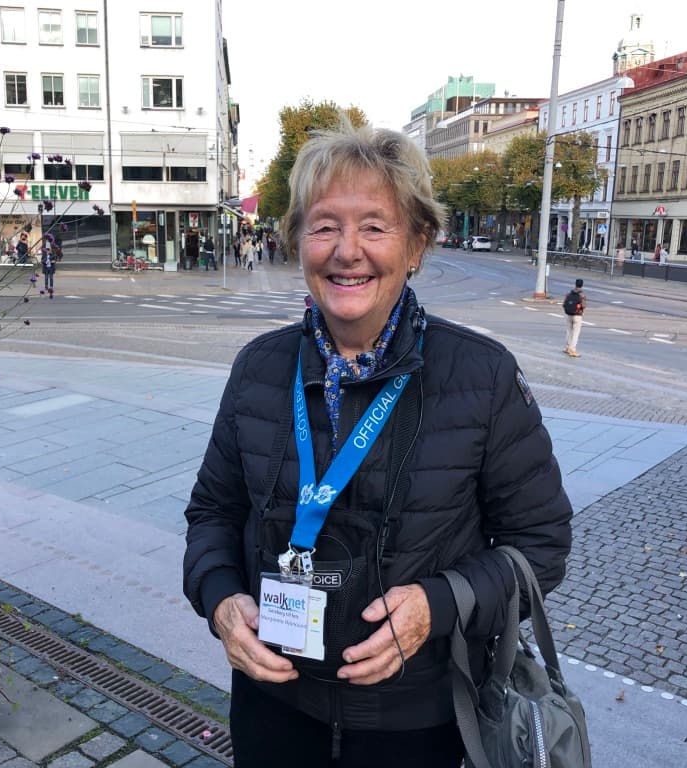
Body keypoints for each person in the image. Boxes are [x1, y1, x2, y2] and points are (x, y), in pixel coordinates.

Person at [183, 120, 573, 768]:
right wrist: (220, 599)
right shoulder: (258, 367)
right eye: (324, 225)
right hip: (272, 713)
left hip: (418, 728)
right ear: (298, 241)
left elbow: (542, 545)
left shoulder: (483, 375)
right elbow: (212, 516)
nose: (346, 250)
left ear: (416, 243)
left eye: (374, 226)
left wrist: (437, 604)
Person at [563, 278, 586, 358]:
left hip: (568, 314)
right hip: (577, 315)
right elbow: (583, 306)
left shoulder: (569, 293)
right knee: (575, 333)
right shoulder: (582, 295)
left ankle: (567, 348)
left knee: (569, 331)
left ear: (575, 284)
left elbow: (564, 304)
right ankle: (572, 350)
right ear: (582, 285)